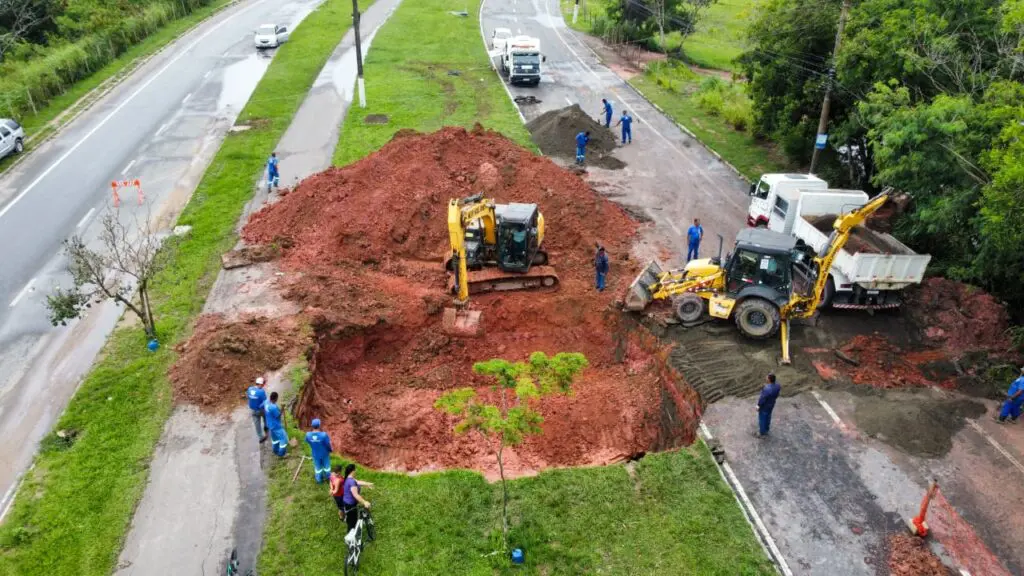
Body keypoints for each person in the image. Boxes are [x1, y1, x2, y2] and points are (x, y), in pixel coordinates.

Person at [330, 463, 374, 532]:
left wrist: (367, 484)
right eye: (355, 470)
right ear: (352, 471)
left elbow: (358, 482)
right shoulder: (351, 481)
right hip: (350, 505)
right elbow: (355, 495)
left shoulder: (347, 478)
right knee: (352, 523)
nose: (356, 471)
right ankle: (350, 536)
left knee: (351, 518)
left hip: (347, 502)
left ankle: (350, 524)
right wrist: (364, 502)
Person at [305, 419, 333, 483]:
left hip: (315, 454)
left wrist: (314, 443)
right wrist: (330, 450)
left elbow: (308, 441)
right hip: (324, 454)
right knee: (327, 467)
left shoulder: (308, 435)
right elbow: (328, 445)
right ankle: (328, 478)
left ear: (312, 426)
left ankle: (319, 479)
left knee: (317, 468)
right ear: (319, 425)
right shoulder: (324, 435)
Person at [755, 373, 781, 437]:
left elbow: (762, 399)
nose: (766, 378)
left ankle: (762, 433)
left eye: (767, 377)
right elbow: (777, 394)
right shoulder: (778, 386)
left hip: (765, 406)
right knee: (768, 416)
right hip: (771, 405)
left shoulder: (767, 389)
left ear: (769, 379)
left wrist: (758, 405)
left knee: (762, 419)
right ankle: (767, 429)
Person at [265, 391, 288, 457]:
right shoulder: (273, 407)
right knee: (284, 439)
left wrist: (279, 408)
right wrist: (282, 409)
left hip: (270, 425)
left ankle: (275, 450)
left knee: (275, 439)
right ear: (276, 398)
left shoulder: (266, 403)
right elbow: (278, 415)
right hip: (276, 426)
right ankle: (281, 454)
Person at [245, 377, 267, 444]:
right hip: (260, 410)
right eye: (263, 384)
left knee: (257, 424)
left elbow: (247, 396)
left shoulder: (250, 389)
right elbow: (265, 401)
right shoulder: (261, 391)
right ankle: (266, 427)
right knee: (265, 417)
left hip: (253, 410)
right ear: (261, 384)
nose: (263, 386)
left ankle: (261, 437)